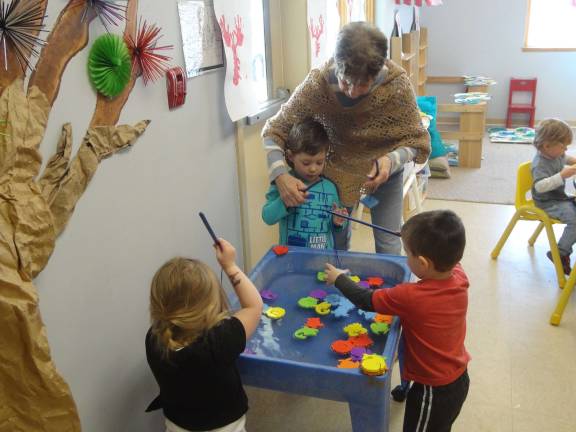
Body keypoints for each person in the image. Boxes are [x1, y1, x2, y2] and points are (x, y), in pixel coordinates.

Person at [262, 22, 430, 254]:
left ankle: (389, 292)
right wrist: (280, 176)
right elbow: (274, 131)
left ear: (378, 72)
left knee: (389, 242)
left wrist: (391, 160)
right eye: (345, 82)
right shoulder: (318, 83)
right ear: (336, 66)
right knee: (337, 243)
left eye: (362, 85)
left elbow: (416, 141)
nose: (351, 91)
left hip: (385, 175)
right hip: (337, 174)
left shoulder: (397, 86)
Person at [324, 210, 470, 432]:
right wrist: (409, 235)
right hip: (458, 379)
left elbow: (365, 299)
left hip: (432, 392)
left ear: (422, 263)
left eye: (407, 253)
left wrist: (338, 279)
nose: (405, 256)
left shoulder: (410, 296)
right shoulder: (459, 277)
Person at [145, 239, 263, 432]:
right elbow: (254, 306)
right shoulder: (219, 343)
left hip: (177, 424)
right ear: (210, 305)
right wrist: (230, 265)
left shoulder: (154, 339)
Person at [262, 119, 348, 249]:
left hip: (322, 259)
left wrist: (337, 222)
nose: (313, 169)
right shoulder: (283, 184)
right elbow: (268, 217)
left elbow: (336, 226)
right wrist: (285, 201)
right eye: (306, 163)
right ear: (290, 156)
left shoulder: (330, 188)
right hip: (291, 258)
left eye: (319, 162)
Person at [531, 118, 576, 275]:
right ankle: (561, 252)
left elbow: (565, 158)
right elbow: (540, 186)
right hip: (547, 203)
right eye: (563, 146)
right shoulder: (540, 164)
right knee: (575, 221)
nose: (565, 150)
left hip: (560, 198)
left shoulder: (554, 154)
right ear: (547, 145)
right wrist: (562, 175)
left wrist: (573, 160)